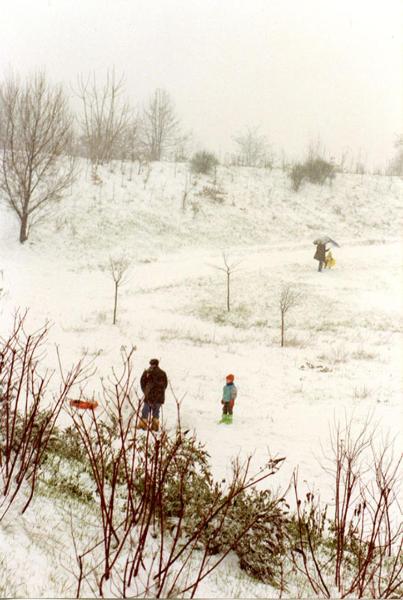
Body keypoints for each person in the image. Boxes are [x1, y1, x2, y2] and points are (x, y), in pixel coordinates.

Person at [138, 359, 168, 432]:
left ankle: (143, 426)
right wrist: (160, 392)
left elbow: (142, 382)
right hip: (159, 397)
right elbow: (165, 385)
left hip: (149, 396)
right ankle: (155, 427)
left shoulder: (148, 372)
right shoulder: (163, 373)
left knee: (145, 410)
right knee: (156, 412)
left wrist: (145, 391)